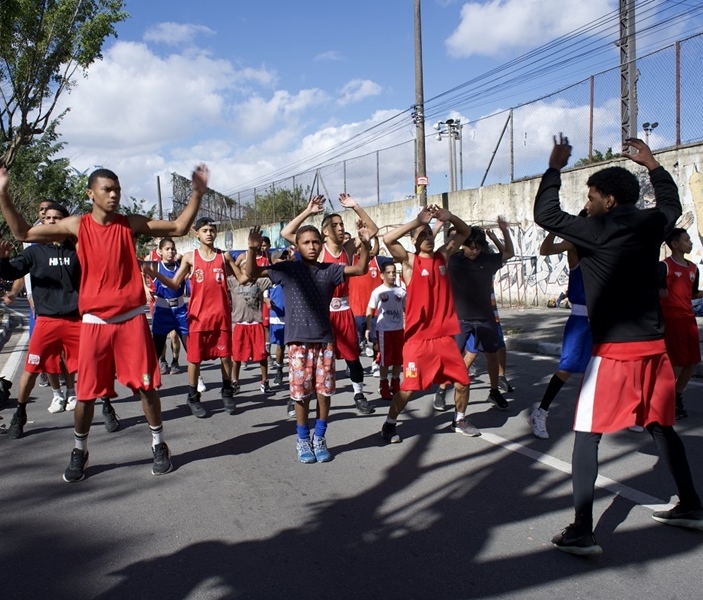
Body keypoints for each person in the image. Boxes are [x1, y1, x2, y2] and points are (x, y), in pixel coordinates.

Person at [535, 134, 703, 556]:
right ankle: (692, 506)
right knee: (660, 425)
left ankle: (581, 530)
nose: (587, 204)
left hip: (614, 353)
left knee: (587, 435)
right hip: (654, 351)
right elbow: (672, 205)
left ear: (608, 200)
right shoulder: (650, 225)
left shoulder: (595, 229)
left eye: (591, 196)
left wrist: (554, 167)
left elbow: (545, 213)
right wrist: (653, 164)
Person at [0, 164, 209, 482]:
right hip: (95, 322)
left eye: (117, 189)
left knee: (147, 387)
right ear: (91, 194)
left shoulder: (130, 223)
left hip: (131, 320)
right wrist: (2, 193)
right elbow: (23, 233)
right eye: (107, 189)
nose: (114, 195)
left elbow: (180, 227)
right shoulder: (77, 225)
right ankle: (80, 450)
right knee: (85, 395)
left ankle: (158, 443)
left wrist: (197, 193)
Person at [245, 220, 371, 463]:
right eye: (306, 242)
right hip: (298, 343)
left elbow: (360, 269)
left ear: (322, 244)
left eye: (315, 242)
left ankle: (320, 437)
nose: (312, 246)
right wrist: (252, 250)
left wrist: (364, 245)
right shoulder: (288, 270)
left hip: (324, 342)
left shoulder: (330, 270)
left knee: (324, 393)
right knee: (301, 395)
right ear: (297, 246)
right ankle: (303, 439)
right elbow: (250, 274)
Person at [380, 205, 479, 443]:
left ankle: (459, 420)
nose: (427, 239)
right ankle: (389, 424)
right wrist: (417, 222)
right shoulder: (409, 262)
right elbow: (388, 238)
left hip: (444, 338)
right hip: (418, 341)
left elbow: (464, 233)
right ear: (413, 241)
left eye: (429, 235)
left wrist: (450, 217)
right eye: (421, 236)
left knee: (463, 382)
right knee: (408, 388)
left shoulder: (443, 256)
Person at [281, 194, 379, 415]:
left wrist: (356, 206)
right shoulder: (316, 249)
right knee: (312, 360)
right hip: (320, 311)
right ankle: (295, 396)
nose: (341, 227)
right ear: (325, 232)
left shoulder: (349, 248)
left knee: (352, 356)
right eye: (335, 225)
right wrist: (308, 211)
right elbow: (286, 233)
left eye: (342, 224)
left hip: (343, 310)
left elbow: (372, 230)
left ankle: (358, 393)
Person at [148, 217, 247, 418]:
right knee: (194, 359)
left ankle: (227, 390)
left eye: (212, 229)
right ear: (197, 233)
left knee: (226, 357)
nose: (209, 233)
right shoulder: (190, 258)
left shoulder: (224, 256)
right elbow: (175, 284)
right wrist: (154, 274)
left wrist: (252, 251)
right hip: (198, 318)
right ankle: (193, 396)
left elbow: (244, 278)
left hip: (221, 318)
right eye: (205, 230)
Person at [0, 203, 83, 438]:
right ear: (42, 222)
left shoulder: (78, 249)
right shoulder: (34, 251)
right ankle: (20, 413)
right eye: (47, 218)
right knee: (31, 370)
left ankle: (106, 406)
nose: (52, 221)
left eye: (57, 217)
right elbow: (11, 273)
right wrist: (3, 261)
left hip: (75, 319)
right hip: (46, 320)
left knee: (91, 368)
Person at [434, 218, 514, 413]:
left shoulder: (487, 260)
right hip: (460, 319)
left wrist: (502, 232)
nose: (475, 251)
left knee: (492, 357)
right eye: (471, 247)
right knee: (453, 357)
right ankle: (442, 389)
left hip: (485, 318)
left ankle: (494, 391)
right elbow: (438, 254)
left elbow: (509, 253)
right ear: (463, 245)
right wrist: (442, 229)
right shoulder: (453, 260)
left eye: (478, 247)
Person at [529, 226, 593, 439]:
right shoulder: (575, 247)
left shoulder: (604, 248)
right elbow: (545, 250)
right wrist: (556, 228)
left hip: (604, 319)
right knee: (566, 368)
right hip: (581, 319)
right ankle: (541, 412)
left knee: (603, 369)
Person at [658, 227, 703, 419]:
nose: (690, 242)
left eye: (690, 239)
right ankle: (662, 400)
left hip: (689, 319)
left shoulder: (694, 268)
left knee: (693, 362)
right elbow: (657, 290)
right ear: (675, 245)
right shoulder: (664, 267)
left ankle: (676, 396)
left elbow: (693, 294)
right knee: (677, 363)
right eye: (686, 240)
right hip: (672, 320)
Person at [228, 265, 275, 396]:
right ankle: (235, 381)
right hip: (240, 324)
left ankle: (264, 382)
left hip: (256, 324)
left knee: (262, 355)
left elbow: (274, 275)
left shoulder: (259, 282)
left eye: (249, 270)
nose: (247, 273)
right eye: (244, 269)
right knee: (236, 356)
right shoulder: (233, 282)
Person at [365, 261, 406, 400]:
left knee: (398, 360)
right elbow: (370, 309)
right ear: (382, 275)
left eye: (394, 272)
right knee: (385, 361)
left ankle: (395, 383)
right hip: (384, 331)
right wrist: (368, 327)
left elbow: (407, 310)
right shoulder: (378, 291)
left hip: (399, 330)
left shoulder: (401, 291)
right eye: (388, 272)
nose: (392, 275)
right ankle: (383, 385)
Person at [150, 238, 189, 378]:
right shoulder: (155, 266)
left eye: (173, 248)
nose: (171, 251)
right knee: (156, 349)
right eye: (167, 249)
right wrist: (144, 287)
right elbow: (138, 266)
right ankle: (149, 379)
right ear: (159, 251)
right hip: (162, 310)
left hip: (180, 310)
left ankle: (197, 379)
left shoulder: (182, 265)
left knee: (190, 349)